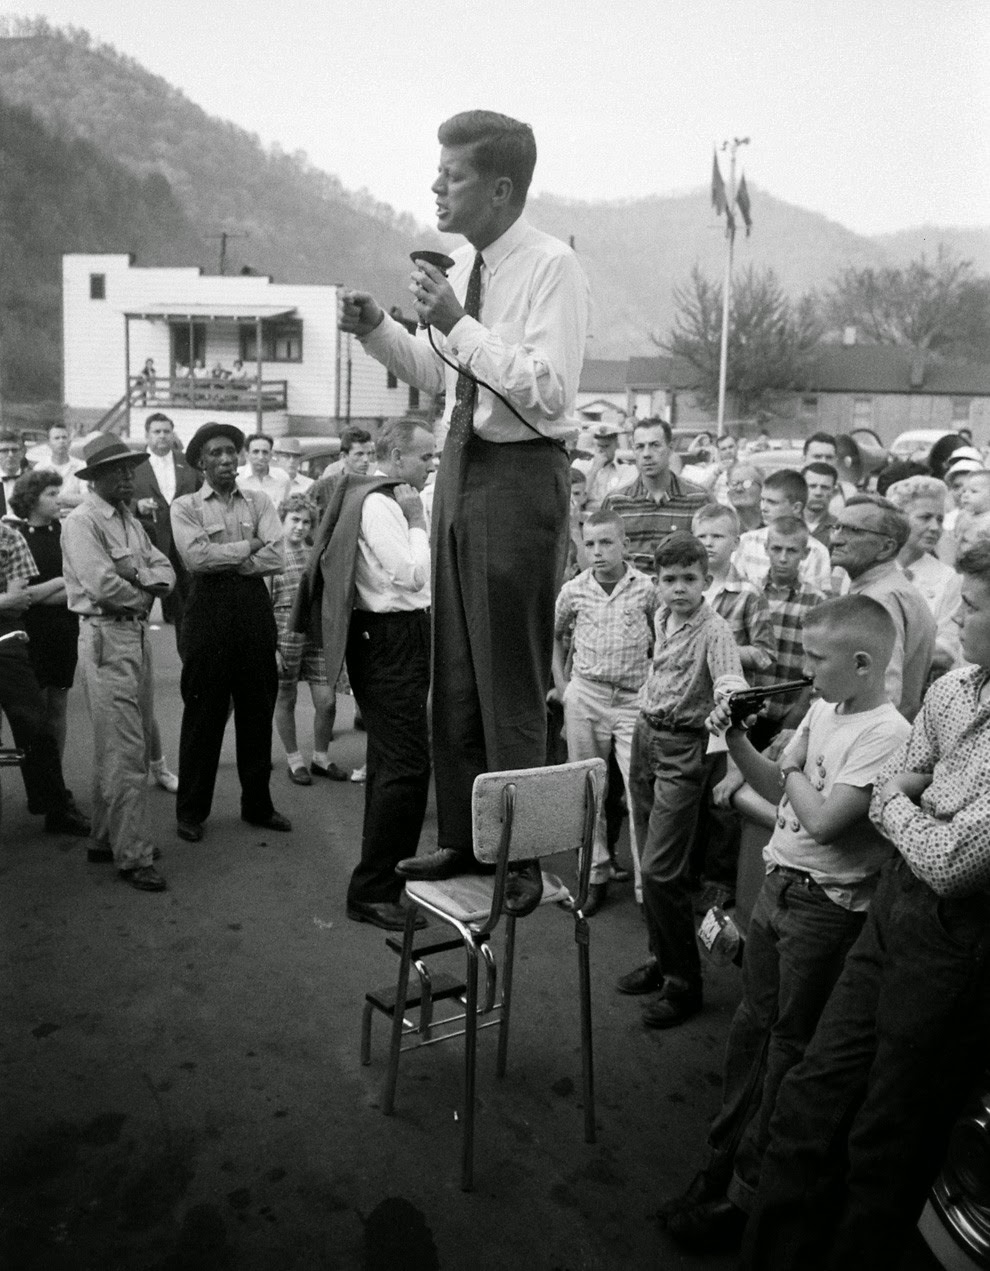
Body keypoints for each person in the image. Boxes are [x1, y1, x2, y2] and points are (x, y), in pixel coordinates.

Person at [338, 109, 590, 916]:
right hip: (458, 467)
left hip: (518, 474)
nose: (436, 187)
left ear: (502, 187)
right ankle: (467, 834)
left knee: (508, 677)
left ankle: (519, 855)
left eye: (453, 175)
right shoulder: (468, 268)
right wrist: (379, 330)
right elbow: (444, 373)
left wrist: (456, 319)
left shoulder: (551, 266)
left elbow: (547, 387)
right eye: (438, 172)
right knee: (455, 672)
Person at [741, 541, 990, 1271]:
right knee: (812, 1095)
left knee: (888, 1136)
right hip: (895, 907)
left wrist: (903, 804)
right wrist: (911, 806)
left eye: (973, 606)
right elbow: (901, 793)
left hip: (960, 942)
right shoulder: (956, 689)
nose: (954, 617)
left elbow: (953, 862)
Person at [662, 596, 911, 1255]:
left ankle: (746, 1194)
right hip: (780, 887)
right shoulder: (826, 708)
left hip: (825, 909)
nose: (808, 670)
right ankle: (718, 1165)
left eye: (819, 658)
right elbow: (778, 788)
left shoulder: (887, 734)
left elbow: (825, 819)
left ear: (863, 663)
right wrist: (736, 739)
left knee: (786, 1051)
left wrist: (794, 767)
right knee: (752, 1031)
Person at [616, 532, 746, 1028]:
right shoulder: (661, 615)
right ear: (657, 583)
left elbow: (730, 680)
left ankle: (683, 984)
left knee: (660, 870)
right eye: (669, 579)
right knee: (647, 855)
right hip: (646, 735)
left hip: (684, 748)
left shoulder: (715, 631)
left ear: (706, 581)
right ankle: (661, 957)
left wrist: (728, 702)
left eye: (688, 579)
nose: (678, 589)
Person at [61, 435, 175, 890]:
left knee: (125, 742)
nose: (129, 476)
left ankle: (105, 837)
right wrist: (145, 592)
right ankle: (133, 855)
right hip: (107, 635)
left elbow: (165, 568)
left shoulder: (128, 519)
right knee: (125, 750)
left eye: (131, 468)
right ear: (95, 478)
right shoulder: (82, 522)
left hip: (133, 634)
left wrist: (139, 576)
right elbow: (103, 586)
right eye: (119, 470)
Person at [170, 423, 290, 843]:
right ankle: (191, 812)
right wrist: (248, 546)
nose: (225, 459)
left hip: (254, 613)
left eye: (230, 452)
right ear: (200, 462)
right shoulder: (185, 507)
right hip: (207, 615)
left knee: (257, 713)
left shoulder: (259, 501)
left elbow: (277, 555)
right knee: (203, 716)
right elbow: (196, 560)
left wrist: (230, 557)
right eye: (215, 453)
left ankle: (258, 805)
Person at [341, 420, 435, 930]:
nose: (430, 466)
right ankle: (374, 890)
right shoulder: (382, 503)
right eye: (425, 457)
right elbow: (411, 575)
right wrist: (417, 520)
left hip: (395, 635)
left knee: (389, 763)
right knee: (406, 767)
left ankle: (381, 881)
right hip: (389, 638)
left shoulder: (377, 496)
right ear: (397, 457)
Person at [552, 508, 659, 916]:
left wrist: (652, 685)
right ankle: (593, 876)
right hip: (587, 695)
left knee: (639, 791)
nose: (597, 552)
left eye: (606, 543)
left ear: (625, 544)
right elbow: (554, 636)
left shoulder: (646, 589)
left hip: (633, 699)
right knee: (588, 789)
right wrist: (565, 687)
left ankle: (648, 889)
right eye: (590, 544)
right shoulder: (574, 590)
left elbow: (662, 638)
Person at [691, 503, 775, 908]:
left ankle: (721, 880)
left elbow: (765, 655)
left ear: (736, 542)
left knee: (724, 798)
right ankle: (690, 872)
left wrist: (718, 648)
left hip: (728, 714)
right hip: (691, 708)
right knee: (692, 792)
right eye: (702, 536)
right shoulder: (688, 588)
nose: (709, 543)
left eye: (717, 536)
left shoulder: (748, 595)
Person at [0, 518, 90, 837]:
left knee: (35, 724)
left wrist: (7, 601)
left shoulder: (9, 538)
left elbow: (18, 602)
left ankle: (55, 807)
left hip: (6, 638)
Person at [829, 494, 935, 720]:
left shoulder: (881, 599)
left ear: (886, 548)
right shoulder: (883, 590)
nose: (836, 539)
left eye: (853, 530)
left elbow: (885, 693)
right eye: (837, 527)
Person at [269, 494, 348, 785]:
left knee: (326, 701)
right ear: (282, 520)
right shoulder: (272, 555)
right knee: (285, 697)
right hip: (283, 632)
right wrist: (271, 648)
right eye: (294, 520)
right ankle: (294, 760)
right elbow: (263, 605)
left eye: (306, 522)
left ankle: (320, 757)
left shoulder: (315, 554)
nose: (300, 527)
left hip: (314, 634)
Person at [7, 469, 79, 759]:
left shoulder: (69, 534)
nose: (58, 499)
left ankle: (55, 774)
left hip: (64, 628)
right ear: (32, 500)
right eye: (51, 494)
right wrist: (61, 580)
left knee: (58, 705)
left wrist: (46, 592)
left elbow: (79, 587)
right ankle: (40, 775)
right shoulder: (18, 539)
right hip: (30, 631)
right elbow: (21, 596)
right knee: (34, 709)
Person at [601, 419, 709, 574]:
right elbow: (603, 557)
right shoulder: (616, 503)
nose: (646, 454)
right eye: (640, 447)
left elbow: (711, 557)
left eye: (655, 445)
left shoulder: (698, 499)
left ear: (670, 448)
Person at [131, 413, 200, 645]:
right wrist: (137, 505)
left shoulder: (187, 462)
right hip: (149, 543)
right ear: (147, 435)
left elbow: (201, 493)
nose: (162, 436)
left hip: (183, 543)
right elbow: (121, 497)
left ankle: (188, 655)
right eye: (156, 431)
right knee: (141, 604)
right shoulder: (135, 464)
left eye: (166, 431)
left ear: (173, 433)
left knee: (187, 609)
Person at [884, 475, 962, 672]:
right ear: (899, 520)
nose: (935, 527)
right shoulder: (872, 567)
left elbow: (947, 651)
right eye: (925, 517)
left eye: (940, 519)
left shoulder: (949, 579)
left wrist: (882, 652)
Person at [731, 470, 834, 595]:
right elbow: (732, 589)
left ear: (796, 507)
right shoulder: (747, 541)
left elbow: (817, 599)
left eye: (772, 502)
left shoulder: (816, 551)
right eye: (762, 500)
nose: (763, 508)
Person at [311, 426, 375, 514]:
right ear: (343, 456)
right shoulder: (323, 487)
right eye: (359, 454)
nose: (366, 459)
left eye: (369, 454)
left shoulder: (374, 487)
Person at [575, 422, 634, 511]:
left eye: (606, 446)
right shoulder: (580, 464)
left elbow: (619, 502)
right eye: (599, 446)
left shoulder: (627, 469)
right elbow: (575, 500)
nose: (601, 450)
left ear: (616, 445)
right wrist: (594, 470)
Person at [238, 433, 291, 508]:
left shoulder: (282, 478)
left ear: (271, 455)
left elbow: (285, 508)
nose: (261, 457)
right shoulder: (236, 477)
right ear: (247, 455)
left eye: (265, 452)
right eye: (255, 452)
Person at [800, 461, 839, 546]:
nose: (818, 493)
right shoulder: (784, 524)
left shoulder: (840, 529)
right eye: (812, 486)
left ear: (834, 492)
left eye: (825, 487)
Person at [725, 462, 763, 533]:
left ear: (762, 489)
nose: (739, 489)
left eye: (747, 483)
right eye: (734, 484)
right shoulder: (722, 528)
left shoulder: (776, 526)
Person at [0, 431, 28, 517]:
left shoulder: (32, 480)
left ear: (22, 453)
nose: (10, 455)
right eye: (4, 450)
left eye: (14, 450)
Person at [711, 434, 739, 506]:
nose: (728, 451)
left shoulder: (746, 467)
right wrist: (717, 472)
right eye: (723, 449)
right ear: (719, 452)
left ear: (737, 447)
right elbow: (702, 490)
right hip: (718, 509)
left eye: (731, 447)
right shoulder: (713, 468)